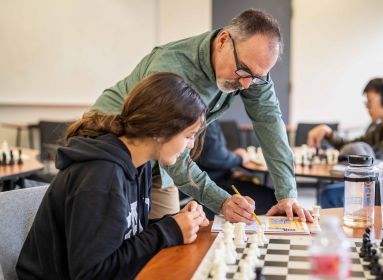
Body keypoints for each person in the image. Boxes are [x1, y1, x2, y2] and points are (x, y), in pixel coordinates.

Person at [92, 9, 312, 223]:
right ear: (223, 40)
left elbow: (269, 121)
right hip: (115, 147)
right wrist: (221, 201)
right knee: (117, 241)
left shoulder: (252, 71)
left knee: (166, 250)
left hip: (164, 160)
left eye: (256, 77)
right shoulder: (172, 66)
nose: (246, 85)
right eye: (243, 70)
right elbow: (170, 147)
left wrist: (287, 194)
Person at [16, 73, 210, 279]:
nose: (190, 145)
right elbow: (92, 274)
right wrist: (168, 231)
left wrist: (176, 221)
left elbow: (124, 234)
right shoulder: (101, 177)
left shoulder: (139, 164)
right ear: (160, 131)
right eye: (188, 136)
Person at [307, 75, 383, 215]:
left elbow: (377, 157)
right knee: (330, 193)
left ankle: (342, 236)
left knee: (330, 196)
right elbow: (354, 146)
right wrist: (329, 133)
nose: (367, 107)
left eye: (370, 101)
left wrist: (348, 157)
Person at [195, 121, 277, 218]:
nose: (191, 145)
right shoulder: (204, 119)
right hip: (216, 182)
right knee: (273, 197)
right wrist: (239, 157)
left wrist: (230, 172)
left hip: (219, 177)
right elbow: (212, 157)